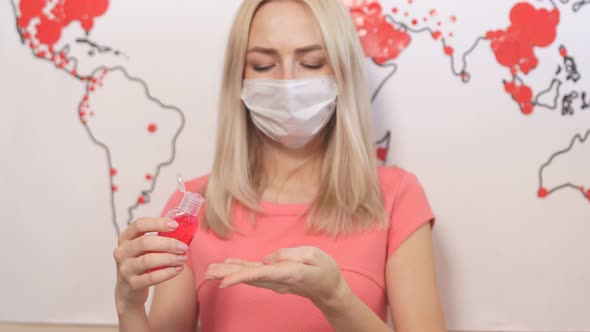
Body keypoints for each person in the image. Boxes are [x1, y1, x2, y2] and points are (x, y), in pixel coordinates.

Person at [113, 0, 446, 331]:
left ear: (343, 72)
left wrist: (335, 298)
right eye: (262, 65)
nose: (288, 82)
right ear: (238, 78)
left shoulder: (396, 197)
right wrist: (129, 307)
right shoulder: (196, 207)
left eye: (312, 62)